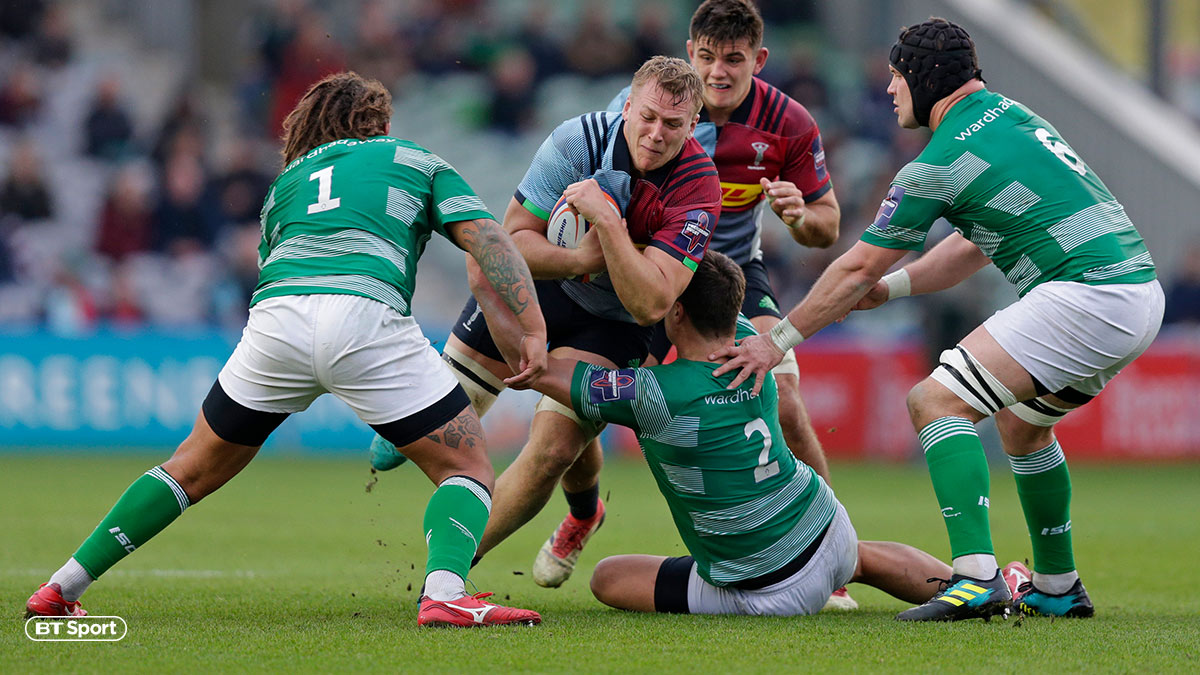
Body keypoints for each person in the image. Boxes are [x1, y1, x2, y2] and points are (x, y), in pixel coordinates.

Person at [25, 72, 547, 628]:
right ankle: (445, 593)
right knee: (465, 468)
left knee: (190, 467)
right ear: (381, 125)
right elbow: (488, 239)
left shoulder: (286, 185)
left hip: (276, 323)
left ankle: (62, 586)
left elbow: (273, 262)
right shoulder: (413, 159)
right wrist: (533, 327)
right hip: (362, 314)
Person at [712, 18, 1163, 621]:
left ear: (923, 79)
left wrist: (780, 341)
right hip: (1136, 290)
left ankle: (976, 578)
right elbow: (974, 246)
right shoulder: (1010, 117)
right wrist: (893, 287)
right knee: (1022, 429)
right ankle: (1057, 586)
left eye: (897, 79)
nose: (891, 92)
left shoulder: (939, 160)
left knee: (935, 401)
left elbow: (852, 267)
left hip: (1086, 293)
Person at [369, 56, 722, 589]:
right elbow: (509, 242)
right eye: (647, 116)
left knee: (557, 446)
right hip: (547, 289)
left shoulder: (699, 187)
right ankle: (583, 508)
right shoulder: (577, 140)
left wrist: (605, 221)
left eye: (673, 124)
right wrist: (582, 261)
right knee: (452, 417)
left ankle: (448, 577)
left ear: (692, 126)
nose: (656, 133)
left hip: (621, 324)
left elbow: (652, 303)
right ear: (627, 106)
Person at [472, 249, 955, 616]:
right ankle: (972, 583)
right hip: (826, 528)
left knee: (608, 577)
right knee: (860, 558)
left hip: (762, 590)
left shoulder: (655, 394)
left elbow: (537, 372)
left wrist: (486, 290)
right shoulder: (752, 345)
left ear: (676, 313)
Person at [605, 0, 853, 610]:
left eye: (734, 60)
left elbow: (828, 226)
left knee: (787, 393)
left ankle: (827, 558)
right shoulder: (645, 111)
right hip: (656, 268)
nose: (719, 72)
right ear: (690, 53)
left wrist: (800, 215)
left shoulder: (789, 123)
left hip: (732, 275)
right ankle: (583, 513)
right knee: (562, 429)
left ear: (759, 60)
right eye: (709, 57)